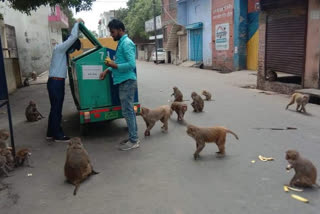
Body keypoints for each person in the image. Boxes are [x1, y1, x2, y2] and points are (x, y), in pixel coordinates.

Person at [100, 19, 140, 151]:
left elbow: (131, 65)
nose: (111, 35)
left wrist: (113, 65)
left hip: (127, 81)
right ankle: (132, 137)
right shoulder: (122, 43)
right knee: (128, 111)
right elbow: (119, 61)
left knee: (128, 111)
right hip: (124, 81)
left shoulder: (126, 43)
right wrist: (108, 70)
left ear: (120, 30)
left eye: (112, 32)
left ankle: (134, 140)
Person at [46, 19, 83, 143]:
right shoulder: (61, 48)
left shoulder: (62, 52)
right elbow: (73, 37)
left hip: (56, 82)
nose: (72, 51)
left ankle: (50, 133)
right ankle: (58, 135)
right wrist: (77, 24)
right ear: (70, 45)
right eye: (73, 49)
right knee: (56, 109)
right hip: (56, 83)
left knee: (54, 108)